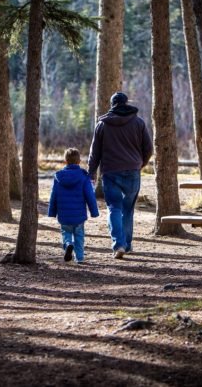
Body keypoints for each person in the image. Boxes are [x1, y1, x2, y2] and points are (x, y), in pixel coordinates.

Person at [88, 92, 153, 259]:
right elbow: (148, 148)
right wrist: (140, 164)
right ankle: (127, 244)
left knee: (114, 208)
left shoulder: (102, 125)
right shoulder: (138, 123)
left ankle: (119, 244)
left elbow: (94, 152)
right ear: (126, 103)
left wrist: (91, 172)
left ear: (112, 105)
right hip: (133, 171)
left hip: (110, 172)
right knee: (128, 210)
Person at [48, 148, 99, 264]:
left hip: (64, 215)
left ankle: (68, 245)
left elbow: (54, 195)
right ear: (79, 161)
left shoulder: (59, 177)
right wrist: (94, 211)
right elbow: (90, 195)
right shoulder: (83, 177)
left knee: (66, 233)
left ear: (65, 161)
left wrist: (52, 212)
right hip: (79, 215)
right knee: (79, 236)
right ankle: (79, 258)